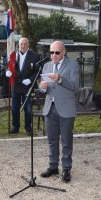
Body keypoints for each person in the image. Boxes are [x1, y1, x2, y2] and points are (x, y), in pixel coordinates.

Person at [38, 40, 80, 183]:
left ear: (63, 52)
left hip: (66, 109)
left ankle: (66, 168)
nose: (53, 55)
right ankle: (53, 166)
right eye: (51, 52)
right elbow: (44, 88)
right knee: (52, 140)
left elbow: (75, 86)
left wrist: (60, 79)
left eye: (57, 52)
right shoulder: (46, 66)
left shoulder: (73, 66)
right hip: (50, 107)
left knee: (67, 141)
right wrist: (42, 87)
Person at [5, 37, 39, 135]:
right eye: (21, 44)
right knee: (15, 108)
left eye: (25, 44)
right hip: (16, 86)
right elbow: (8, 67)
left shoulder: (34, 56)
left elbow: (38, 71)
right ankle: (15, 127)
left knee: (28, 108)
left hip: (27, 86)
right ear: (18, 45)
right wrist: (7, 72)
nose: (23, 46)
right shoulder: (12, 56)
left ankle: (28, 128)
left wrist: (30, 80)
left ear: (28, 45)